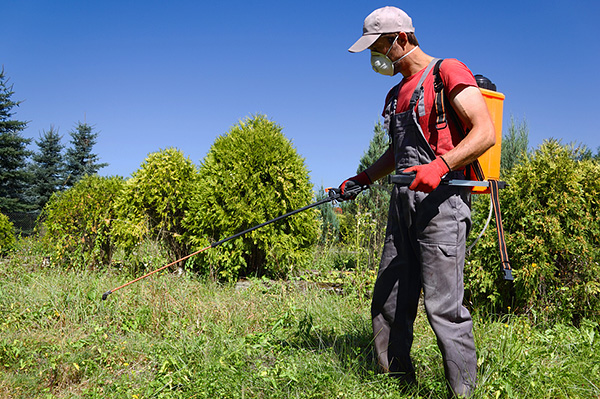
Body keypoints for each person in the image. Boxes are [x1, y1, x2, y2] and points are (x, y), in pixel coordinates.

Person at [339, 6, 496, 397]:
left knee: (443, 307)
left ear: (401, 40)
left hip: (442, 204)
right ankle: (396, 383)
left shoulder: (447, 72)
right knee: (390, 298)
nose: (377, 57)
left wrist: (441, 166)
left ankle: (463, 392)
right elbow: (398, 152)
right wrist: (363, 178)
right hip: (401, 205)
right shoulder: (395, 93)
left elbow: (484, 132)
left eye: (379, 47)